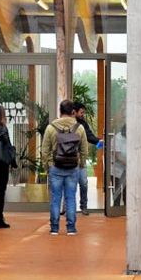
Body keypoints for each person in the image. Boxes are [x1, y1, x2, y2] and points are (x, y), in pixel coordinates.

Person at [42, 100, 87, 236]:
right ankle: (71, 228)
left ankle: (54, 228)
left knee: (55, 198)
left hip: (55, 167)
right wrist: (81, 164)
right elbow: (84, 150)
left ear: (60, 111)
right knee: (71, 198)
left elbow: (45, 150)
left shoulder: (51, 128)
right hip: (73, 168)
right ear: (73, 112)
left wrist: (48, 166)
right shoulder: (79, 128)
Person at [71, 101, 103, 216]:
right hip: (68, 160)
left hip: (81, 160)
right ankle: (66, 206)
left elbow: (89, 136)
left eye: (83, 112)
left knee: (83, 183)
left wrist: (98, 141)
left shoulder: (83, 124)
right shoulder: (67, 123)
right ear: (74, 112)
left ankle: (83, 206)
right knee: (69, 184)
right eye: (81, 112)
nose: (82, 114)